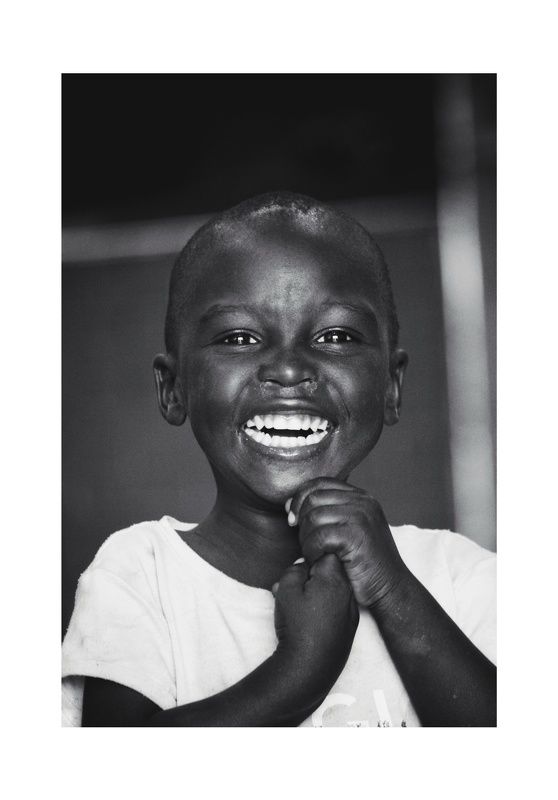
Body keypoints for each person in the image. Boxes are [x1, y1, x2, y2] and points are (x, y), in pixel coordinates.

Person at [62, 191, 496, 727]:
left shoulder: (457, 576)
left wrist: (392, 589)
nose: (289, 371)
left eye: (336, 335)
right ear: (173, 389)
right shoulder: (140, 575)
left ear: (391, 385)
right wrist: (300, 673)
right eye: (239, 337)